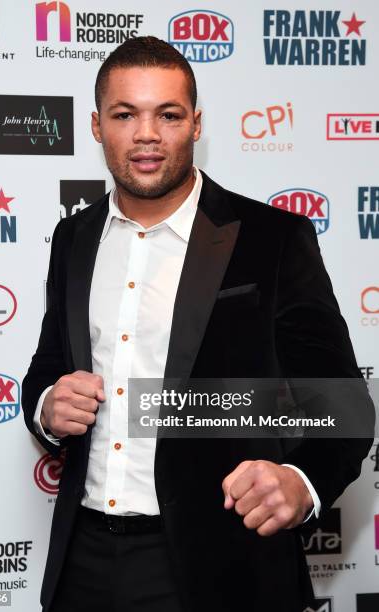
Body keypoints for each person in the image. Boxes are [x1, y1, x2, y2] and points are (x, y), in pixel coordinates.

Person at [22, 36, 374, 612]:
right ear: (95, 125)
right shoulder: (74, 239)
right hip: (80, 562)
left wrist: (301, 483)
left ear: (196, 123)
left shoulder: (272, 239)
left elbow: (346, 407)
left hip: (222, 565)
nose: (147, 135)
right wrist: (46, 407)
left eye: (168, 114)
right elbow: (48, 369)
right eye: (124, 114)